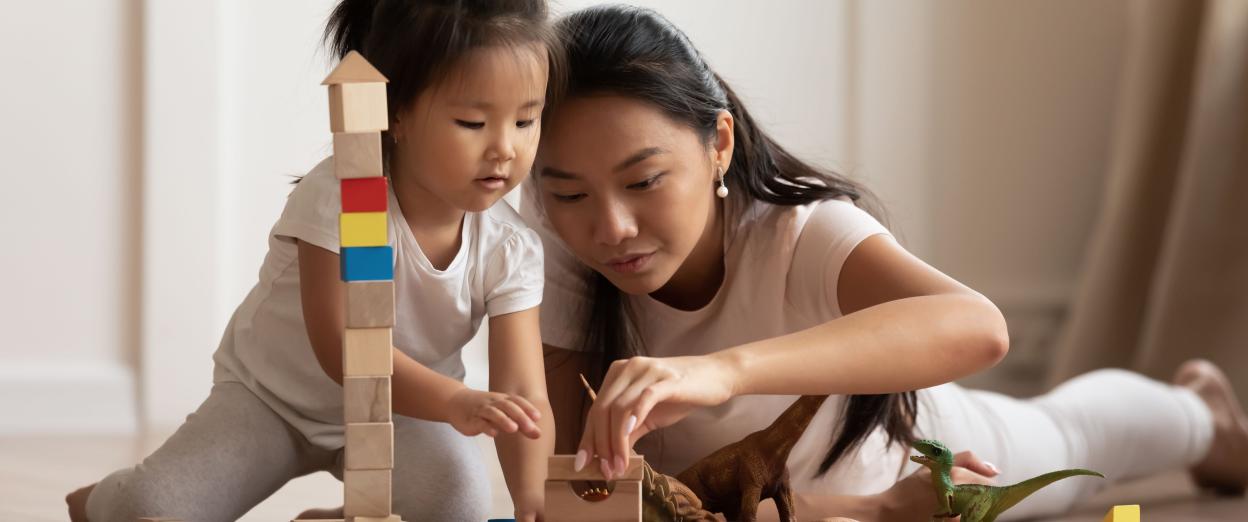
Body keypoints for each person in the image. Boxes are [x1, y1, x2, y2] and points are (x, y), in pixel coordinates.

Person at [524, 5, 1248, 520]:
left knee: (1071, 438)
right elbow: (573, 498)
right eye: (568, 192)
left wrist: (721, 372)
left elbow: (978, 327)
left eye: (644, 181)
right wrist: (865, 513)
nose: (609, 226)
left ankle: (1201, 415)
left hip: (928, 448)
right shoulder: (561, 262)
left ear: (719, 143)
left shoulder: (797, 233)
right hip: (830, 500)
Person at [67, 1, 559, 520]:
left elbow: (524, 391)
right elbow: (343, 348)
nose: (506, 148)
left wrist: (533, 498)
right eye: (473, 122)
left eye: (527, 120)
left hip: (407, 409)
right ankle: (103, 499)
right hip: (273, 402)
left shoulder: (510, 247)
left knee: (455, 509)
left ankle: (342, 516)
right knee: (152, 510)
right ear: (398, 113)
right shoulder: (345, 196)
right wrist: (456, 401)